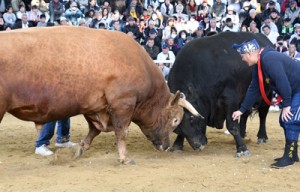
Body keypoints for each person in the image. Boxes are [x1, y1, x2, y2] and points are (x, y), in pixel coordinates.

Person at [232, 39, 300, 168]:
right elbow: (254, 89)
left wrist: (286, 105)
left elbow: (282, 81)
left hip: (298, 89)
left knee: (289, 119)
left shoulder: (269, 59)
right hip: (294, 90)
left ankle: (289, 156)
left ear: (250, 54)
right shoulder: (260, 64)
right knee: (284, 120)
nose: (242, 60)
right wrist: (242, 109)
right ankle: (293, 154)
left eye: (242, 57)